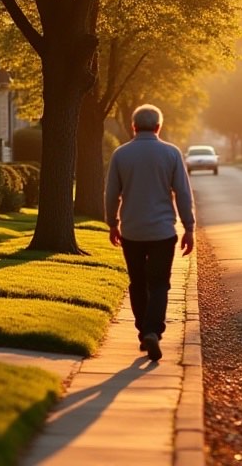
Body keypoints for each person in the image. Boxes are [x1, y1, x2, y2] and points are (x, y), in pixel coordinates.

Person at [105, 104, 195, 361]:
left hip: (131, 231)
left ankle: (143, 331)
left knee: (137, 283)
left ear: (133, 127)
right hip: (162, 232)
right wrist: (189, 228)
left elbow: (111, 194)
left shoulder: (121, 155)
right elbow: (183, 193)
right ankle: (152, 331)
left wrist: (112, 222)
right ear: (158, 127)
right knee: (159, 284)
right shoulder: (171, 154)